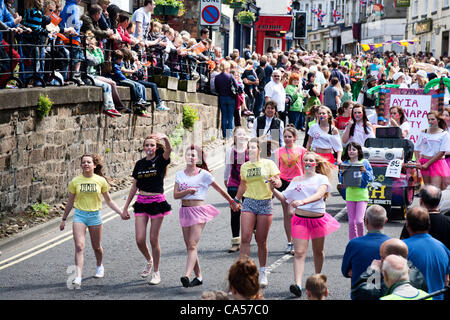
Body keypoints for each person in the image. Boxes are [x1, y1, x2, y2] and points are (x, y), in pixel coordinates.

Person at [273, 151, 340, 297]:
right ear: (303, 163)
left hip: (318, 220)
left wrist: (302, 202)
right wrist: (272, 188)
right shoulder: (296, 180)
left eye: (311, 160)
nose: (308, 163)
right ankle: (297, 284)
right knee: (299, 252)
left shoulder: (321, 178)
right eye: (306, 160)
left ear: (315, 163)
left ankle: (318, 278)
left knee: (318, 252)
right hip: (300, 220)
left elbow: (319, 194)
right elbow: (284, 197)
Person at [60, 154, 127, 289]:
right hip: (79, 215)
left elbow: (109, 200)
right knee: (79, 246)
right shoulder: (75, 181)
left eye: (89, 162)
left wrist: (121, 212)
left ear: (94, 165)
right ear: (81, 165)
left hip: (95, 216)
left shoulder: (100, 181)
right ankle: (78, 277)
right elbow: (70, 202)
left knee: (96, 247)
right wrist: (64, 219)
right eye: (84, 162)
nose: (86, 164)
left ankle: (99, 265)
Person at [174, 145, 238, 288]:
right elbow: (175, 195)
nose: (190, 157)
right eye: (188, 155)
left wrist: (232, 202)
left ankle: (186, 275)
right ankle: (199, 276)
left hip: (198, 211)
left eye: (193, 155)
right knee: (190, 246)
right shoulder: (179, 174)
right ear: (185, 157)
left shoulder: (204, 174)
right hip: (184, 211)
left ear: (198, 159)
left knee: (192, 244)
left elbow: (220, 190)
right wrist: (187, 192)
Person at [121, 133, 172, 285]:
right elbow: (134, 186)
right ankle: (149, 260)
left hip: (157, 202)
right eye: (147, 145)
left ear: (156, 148)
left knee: (153, 239)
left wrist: (165, 138)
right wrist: (125, 208)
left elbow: (169, 150)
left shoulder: (161, 160)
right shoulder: (139, 164)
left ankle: (156, 273)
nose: (149, 147)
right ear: (144, 148)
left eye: (152, 145)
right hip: (141, 202)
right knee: (139, 239)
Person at [234, 137, 282, 288]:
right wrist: (236, 199)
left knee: (261, 241)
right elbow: (243, 185)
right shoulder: (245, 166)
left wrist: (276, 182)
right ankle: (244, 272)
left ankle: (262, 272)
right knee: (246, 238)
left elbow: (278, 181)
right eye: (249, 148)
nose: (251, 150)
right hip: (249, 202)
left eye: (254, 147)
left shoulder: (269, 164)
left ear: (259, 150)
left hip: (265, 203)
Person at [351, 238, 429, 300]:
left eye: (382, 257)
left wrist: (372, 271)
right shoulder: (418, 274)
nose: (380, 260)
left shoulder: (391, 279)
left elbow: (363, 295)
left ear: (391, 258)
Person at [341, 205, 390, 298]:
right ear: (385, 221)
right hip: (385, 296)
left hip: (359, 295)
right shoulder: (392, 244)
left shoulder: (354, 244)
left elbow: (345, 271)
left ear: (366, 221)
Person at [402, 206, 450, 300]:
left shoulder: (401, 247)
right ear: (428, 224)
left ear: (407, 224)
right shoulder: (443, 247)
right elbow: (446, 280)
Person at [275, 126, 307, 254]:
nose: (287, 139)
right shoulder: (278, 151)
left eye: (290, 136)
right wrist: (275, 181)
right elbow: (276, 169)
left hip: (297, 183)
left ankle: (299, 240)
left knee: (296, 213)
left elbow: (306, 168)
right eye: (285, 136)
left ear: (295, 137)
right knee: (287, 214)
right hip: (284, 183)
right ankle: (290, 242)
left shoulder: (302, 150)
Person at [339, 142, 374, 240]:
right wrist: (341, 174)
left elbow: (371, 178)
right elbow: (342, 181)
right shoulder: (345, 163)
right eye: (349, 149)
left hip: (362, 194)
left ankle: (361, 240)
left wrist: (365, 171)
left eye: (354, 149)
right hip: (350, 194)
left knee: (359, 221)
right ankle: (353, 241)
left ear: (359, 151)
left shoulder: (365, 162)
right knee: (351, 222)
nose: (351, 151)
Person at [224, 127, 249, 253]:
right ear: (234, 136)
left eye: (243, 134)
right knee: (235, 212)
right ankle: (235, 241)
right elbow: (227, 167)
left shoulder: (250, 149)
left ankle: (252, 231)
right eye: (239, 134)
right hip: (234, 183)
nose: (241, 136)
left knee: (250, 211)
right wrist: (225, 180)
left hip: (249, 185)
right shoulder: (230, 151)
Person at [401, 184, 450, 249]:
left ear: (421, 201)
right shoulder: (448, 221)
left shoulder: (413, 220)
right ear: (438, 201)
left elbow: (402, 245)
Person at [415, 111, 450, 190]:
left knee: (434, 189)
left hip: (437, 163)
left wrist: (427, 164)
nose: (430, 121)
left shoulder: (444, 134)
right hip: (424, 162)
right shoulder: (423, 132)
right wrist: (417, 161)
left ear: (438, 120)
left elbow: (442, 152)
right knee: (427, 189)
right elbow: (416, 148)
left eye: (432, 119)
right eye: (428, 119)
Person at [214, 61, 238, 139]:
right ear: (227, 68)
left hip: (222, 98)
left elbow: (216, 88)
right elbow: (236, 86)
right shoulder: (230, 76)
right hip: (231, 98)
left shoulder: (217, 77)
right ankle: (229, 135)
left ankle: (224, 135)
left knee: (224, 116)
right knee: (230, 117)